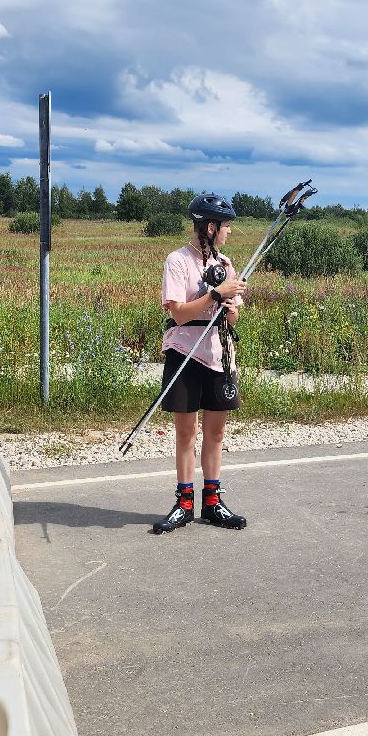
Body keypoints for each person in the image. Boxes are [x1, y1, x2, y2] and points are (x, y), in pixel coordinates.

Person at [152, 193, 249, 535]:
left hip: (218, 354)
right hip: (185, 352)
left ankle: (212, 501)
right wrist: (215, 294)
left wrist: (230, 306)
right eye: (225, 226)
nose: (229, 232)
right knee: (186, 432)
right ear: (210, 227)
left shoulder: (226, 264)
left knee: (216, 431)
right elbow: (178, 313)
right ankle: (184, 503)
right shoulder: (178, 261)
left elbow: (233, 317)